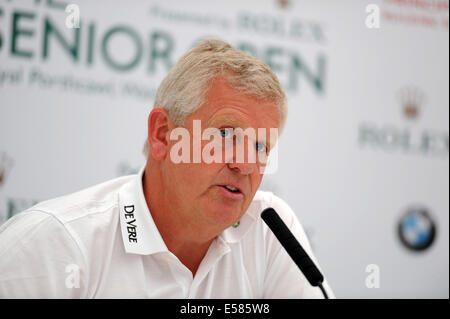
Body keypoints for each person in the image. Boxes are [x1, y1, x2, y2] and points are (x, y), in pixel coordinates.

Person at [0, 38, 334, 298]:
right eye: (226, 134)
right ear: (163, 134)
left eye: (261, 146)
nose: (245, 164)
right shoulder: (54, 245)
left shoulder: (269, 229)